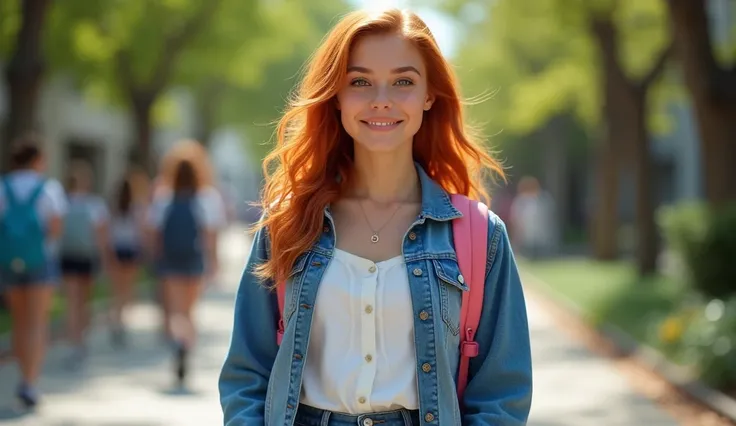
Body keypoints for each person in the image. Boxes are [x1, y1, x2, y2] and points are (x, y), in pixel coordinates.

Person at [219, 8, 533, 426]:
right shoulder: (289, 224)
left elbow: (501, 394)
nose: (381, 98)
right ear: (337, 95)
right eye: (360, 81)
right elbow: (247, 374)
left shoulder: (479, 235)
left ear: (428, 95)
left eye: (403, 81)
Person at [0, 135, 67, 408]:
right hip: (41, 262)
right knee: (37, 323)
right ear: (38, 160)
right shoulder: (49, 189)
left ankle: (20, 377)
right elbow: (55, 228)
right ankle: (30, 382)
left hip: (8, 262)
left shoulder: (3, 187)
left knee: (18, 321)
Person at [147, 154, 219, 387]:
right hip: (194, 260)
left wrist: (156, 259)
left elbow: (155, 234)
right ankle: (186, 345)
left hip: (171, 261)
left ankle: (177, 342)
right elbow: (209, 235)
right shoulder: (205, 198)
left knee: (176, 310)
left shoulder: (163, 198)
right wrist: (213, 263)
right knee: (190, 310)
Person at [58, 160, 110, 368]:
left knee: (71, 301)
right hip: (87, 257)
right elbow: (101, 236)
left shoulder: (63, 202)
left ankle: (73, 342)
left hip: (68, 256)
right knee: (84, 302)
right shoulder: (95, 204)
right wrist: (104, 260)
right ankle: (82, 340)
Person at [107, 174, 146, 347]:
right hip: (130, 251)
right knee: (127, 290)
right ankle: (122, 321)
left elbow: (108, 233)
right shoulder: (136, 209)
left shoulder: (113, 209)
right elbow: (140, 233)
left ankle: (117, 319)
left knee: (117, 290)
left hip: (117, 250)